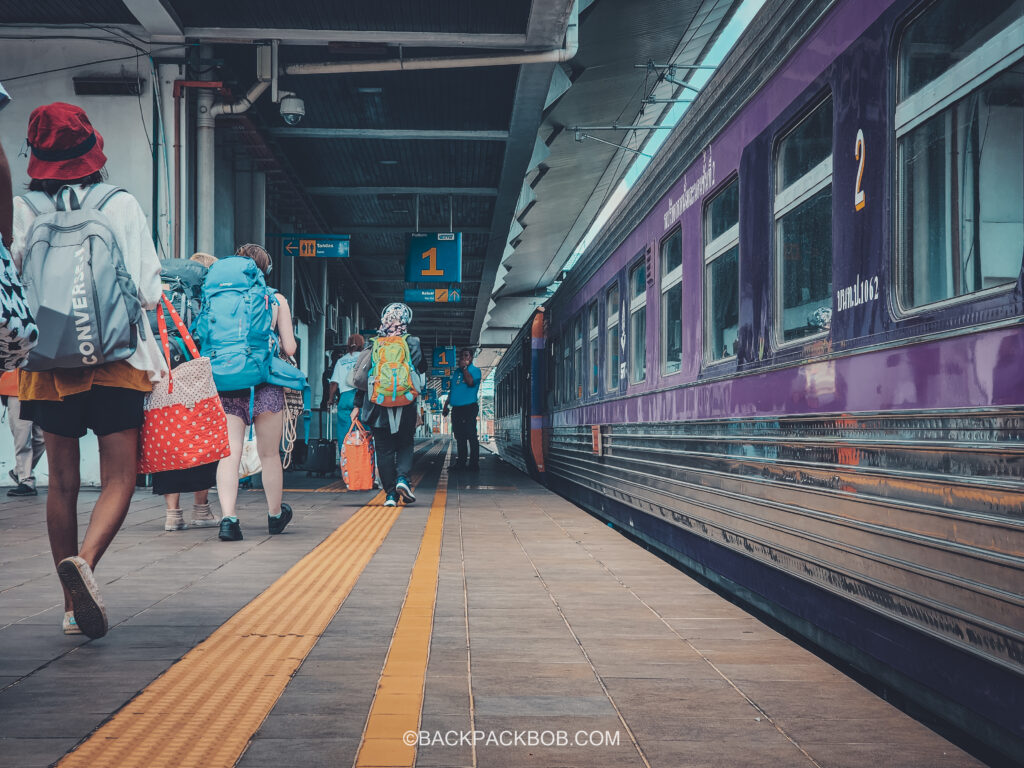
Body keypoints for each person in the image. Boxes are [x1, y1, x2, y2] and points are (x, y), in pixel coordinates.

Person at [12, 103, 166, 638]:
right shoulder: (118, 204)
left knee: (60, 481)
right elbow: (148, 291)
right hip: (116, 361)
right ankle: (87, 564)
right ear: (92, 152)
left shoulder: (21, 208)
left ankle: (70, 607)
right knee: (121, 475)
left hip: (48, 366)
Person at [213, 243, 297, 542]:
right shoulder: (275, 299)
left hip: (227, 381)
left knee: (230, 451)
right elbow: (289, 348)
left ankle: (228, 519)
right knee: (269, 454)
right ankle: (275, 515)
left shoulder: (221, 295)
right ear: (266, 269)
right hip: (264, 382)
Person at [153, 252, 219, 531]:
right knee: (199, 437)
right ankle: (201, 509)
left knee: (167, 438)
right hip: (194, 372)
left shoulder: (164, 289)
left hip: (161, 365)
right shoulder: (205, 295)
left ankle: (172, 514)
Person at [351, 303, 426, 506]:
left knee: (384, 450)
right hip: (405, 403)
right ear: (405, 321)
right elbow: (420, 368)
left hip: (377, 404)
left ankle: (390, 495)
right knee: (405, 444)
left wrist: (357, 405)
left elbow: (363, 379)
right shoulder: (412, 341)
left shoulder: (374, 343)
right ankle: (403, 479)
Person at [3, 370, 45, 496]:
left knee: (43, 437)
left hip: (40, 386)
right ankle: (26, 480)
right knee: (22, 438)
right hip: (15, 387)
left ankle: (18, 472)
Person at [443, 348, 481, 471]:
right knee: (459, 436)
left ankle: (474, 464)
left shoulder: (475, 371)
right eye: (461, 356)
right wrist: (446, 405)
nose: (463, 358)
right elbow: (452, 390)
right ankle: (461, 463)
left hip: (469, 407)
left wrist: (464, 369)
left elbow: (470, 383)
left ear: (471, 357)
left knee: (471, 435)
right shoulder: (456, 373)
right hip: (457, 408)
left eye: (466, 355)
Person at [329, 333, 364, 443]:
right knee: (364, 429)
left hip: (345, 397)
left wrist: (330, 399)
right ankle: (364, 457)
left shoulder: (341, 361)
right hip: (362, 397)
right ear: (362, 345)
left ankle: (346, 458)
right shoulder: (366, 358)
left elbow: (334, 383)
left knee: (345, 432)